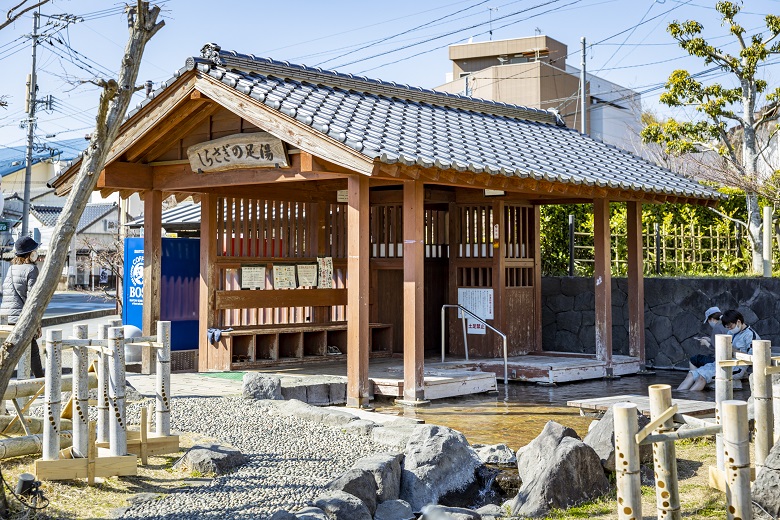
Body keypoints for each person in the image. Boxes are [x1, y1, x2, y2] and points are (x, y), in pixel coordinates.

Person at [678, 309, 759, 391]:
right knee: (691, 374)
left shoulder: (750, 335)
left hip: (736, 367)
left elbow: (752, 358)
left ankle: (690, 401)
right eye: (728, 327)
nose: (729, 329)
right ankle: (678, 397)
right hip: (721, 362)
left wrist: (733, 351)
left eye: (730, 326)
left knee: (702, 377)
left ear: (738, 321)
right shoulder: (731, 332)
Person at [0, 236, 43, 378]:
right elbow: (33, 300)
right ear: (30, 253)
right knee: (32, 351)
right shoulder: (31, 269)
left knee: (7, 353)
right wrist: (37, 324)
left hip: (5, 318)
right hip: (21, 318)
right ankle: (40, 383)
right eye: (35, 250)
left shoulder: (11, 269)